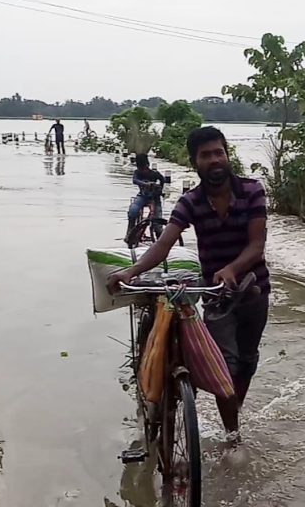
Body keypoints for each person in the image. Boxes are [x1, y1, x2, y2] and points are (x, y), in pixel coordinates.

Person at [108, 126, 269, 443]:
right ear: (196, 162)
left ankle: (232, 413)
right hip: (216, 296)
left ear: (227, 154)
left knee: (247, 361)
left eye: (218, 152)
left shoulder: (253, 191)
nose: (214, 160)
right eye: (206, 155)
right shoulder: (190, 202)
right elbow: (163, 244)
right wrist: (132, 271)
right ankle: (232, 434)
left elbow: (256, 246)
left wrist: (232, 268)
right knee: (225, 365)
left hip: (253, 290)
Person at [127, 154, 166, 235]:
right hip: (142, 196)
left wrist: (160, 188)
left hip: (155, 198)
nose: (142, 170)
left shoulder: (154, 174)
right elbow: (135, 180)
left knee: (158, 222)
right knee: (133, 211)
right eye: (140, 168)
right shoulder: (137, 173)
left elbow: (162, 179)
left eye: (144, 168)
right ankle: (130, 231)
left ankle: (160, 238)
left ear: (148, 165)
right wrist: (145, 184)